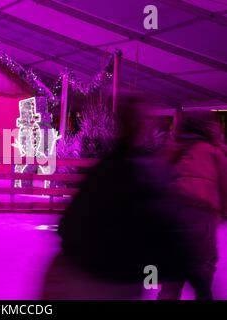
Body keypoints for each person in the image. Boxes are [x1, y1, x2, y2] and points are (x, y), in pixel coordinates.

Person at [49, 96, 191, 299]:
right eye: (146, 122)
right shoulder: (146, 173)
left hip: (92, 274)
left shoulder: (103, 170)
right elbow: (167, 234)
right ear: (142, 128)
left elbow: (68, 225)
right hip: (119, 281)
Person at [158, 110, 227, 300]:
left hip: (172, 215)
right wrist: (223, 211)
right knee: (203, 269)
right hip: (201, 214)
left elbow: (158, 177)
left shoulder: (173, 149)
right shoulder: (214, 152)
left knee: (171, 273)